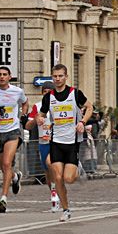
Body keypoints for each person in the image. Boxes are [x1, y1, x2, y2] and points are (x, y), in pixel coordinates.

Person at [39, 63, 93, 222]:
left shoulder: (75, 93)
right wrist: (40, 119)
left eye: (60, 76)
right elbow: (40, 114)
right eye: (55, 76)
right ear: (52, 77)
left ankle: (78, 169)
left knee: (69, 178)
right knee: (57, 176)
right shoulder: (48, 97)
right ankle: (66, 209)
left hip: (72, 142)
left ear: (66, 77)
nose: (57, 79)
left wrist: (82, 121)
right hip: (55, 141)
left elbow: (89, 107)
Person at [0, 66, 28, 213]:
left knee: (8, 163)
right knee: (4, 168)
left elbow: (25, 102)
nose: (2, 77)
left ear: (10, 77)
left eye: (5, 74)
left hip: (13, 131)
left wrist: (23, 114)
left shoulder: (17, 91)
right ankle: (15, 177)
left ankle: (3, 198)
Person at [26, 83, 59, 212]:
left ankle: (57, 191)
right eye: (44, 91)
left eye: (49, 91)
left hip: (58, 141)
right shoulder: (37, 107)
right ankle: (54, 193)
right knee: (47, 172)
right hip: (43, 142)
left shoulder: (60, 105)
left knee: (50, 164)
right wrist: (35, 119)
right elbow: (28, 126)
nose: (46, 93)